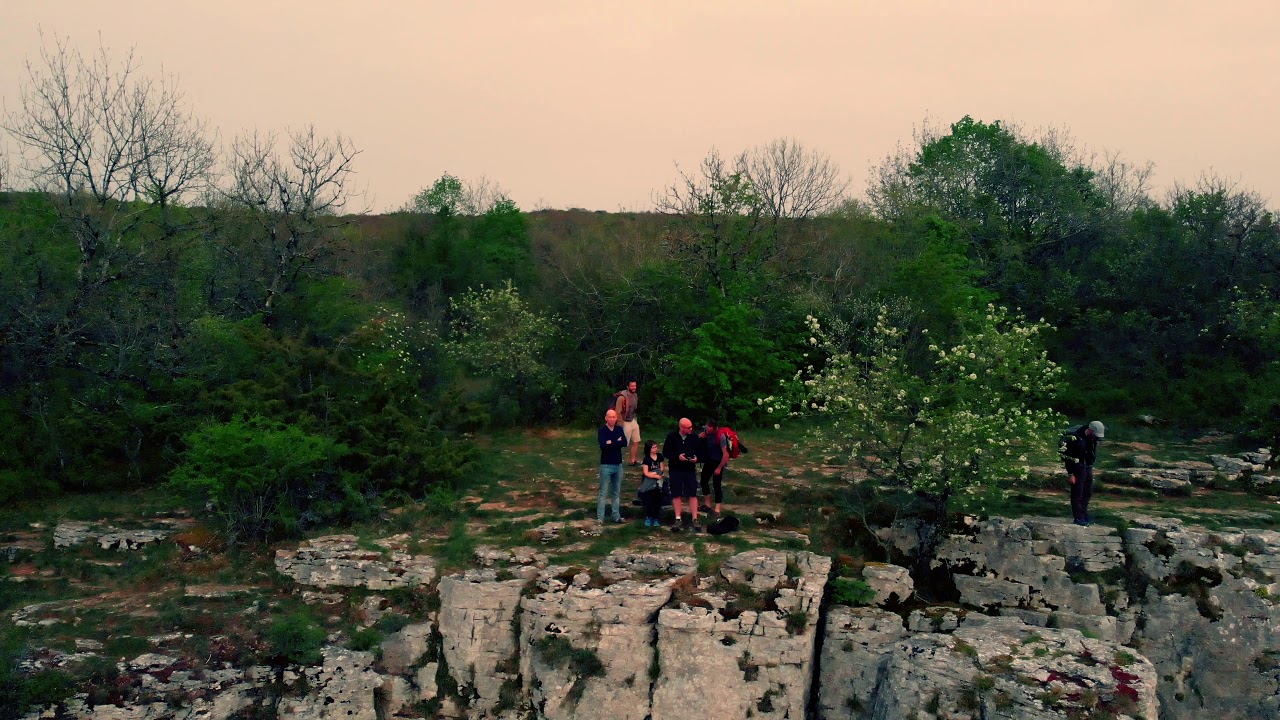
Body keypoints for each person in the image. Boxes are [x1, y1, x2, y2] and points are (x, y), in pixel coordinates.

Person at [1063, 420, 1105, 526]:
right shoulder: (1075, 438)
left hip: (1088, 466)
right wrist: (1071, 474)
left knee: (1088, 492)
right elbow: (1068, 457)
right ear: (1090, 430)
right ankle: (1078, 517)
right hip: (1077, 466)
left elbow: (1092, 452)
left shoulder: (1092, 439)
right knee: (1077, 493)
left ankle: (1084, 514)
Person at [663, 418, 701, 532]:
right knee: (676, 494)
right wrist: (677, 456)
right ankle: (678, 518)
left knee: (692, 493)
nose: (691, 429)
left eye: (691, 427)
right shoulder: (672, 437)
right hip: (676, 469)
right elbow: (666, 452)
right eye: (688, 428)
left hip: (689, 469)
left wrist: (697, 458)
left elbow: (701, 451)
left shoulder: (694, 437)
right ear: (681, 428)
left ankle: (695, 518)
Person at [597, 409, 627, 523]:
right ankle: (600, 517)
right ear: (606, 418)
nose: (612, 419)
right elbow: (603, 446)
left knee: (616, 492)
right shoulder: (602, 431)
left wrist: (611, 442)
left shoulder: (619, 429)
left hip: (618, 464)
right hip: (606, 465)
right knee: (603, 492)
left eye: (614, 417)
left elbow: (624, 442)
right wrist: (616, 442)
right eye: (610, 417)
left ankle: (616, 516)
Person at [699, 419, 729, 518]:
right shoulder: (705, 430)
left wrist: (719, 468)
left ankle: (717, 508)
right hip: (709, 460)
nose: (708, 432)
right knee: (703, 481)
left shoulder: (721, 437)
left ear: (715, 428)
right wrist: (701, 436)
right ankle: (707, 504)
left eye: (710, 431)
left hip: (718, 462)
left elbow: (725, 455)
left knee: (717, 484)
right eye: (707, 429)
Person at [639, 440, 665, 527]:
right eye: (653, 447)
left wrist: (658, 473)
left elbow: (662, 468)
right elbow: (646, 472)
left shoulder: (660, 456)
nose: (655, 449)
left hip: (658, 481)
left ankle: (656, 518)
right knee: (649, 501)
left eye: (656, 447)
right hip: (649, 481)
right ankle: (649, 517)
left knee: (657, 501)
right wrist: (653, 475)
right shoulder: (647, 459)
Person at [619, 381, 641, 466]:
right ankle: (618, 461)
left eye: (635, 386)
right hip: (624, 421)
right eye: (632, 386)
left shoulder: (635, 396)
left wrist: (634, 419)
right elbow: (618, 412)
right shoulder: (622, 397)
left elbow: (634, 409)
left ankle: (632, 461)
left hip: (632, 420)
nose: (634, 387)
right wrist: (621, 425)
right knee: (623, 444)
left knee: (636, 441)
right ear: (628, 387)